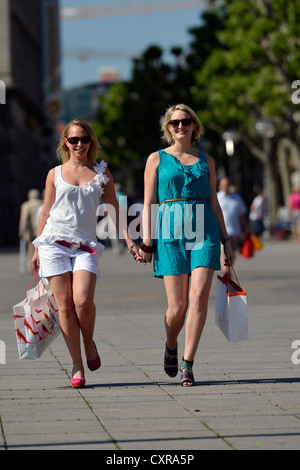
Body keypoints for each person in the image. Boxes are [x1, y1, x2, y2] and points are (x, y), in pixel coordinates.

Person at [31, 119, 139, 388]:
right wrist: (36, 247)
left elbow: (113, 206)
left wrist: (129, 239)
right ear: (65, 143)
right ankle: (77, 365)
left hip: (86, 245)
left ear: (91, 141)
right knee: (64, 305)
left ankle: (89, 342)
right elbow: (46, 211)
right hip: (53, 244)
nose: (79, 144)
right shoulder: (54, 174)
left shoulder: (101, 172)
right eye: (73, 140)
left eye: (84, 139)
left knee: (82, 302)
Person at [139, 104, 233, 387]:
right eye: (174, 122)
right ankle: (171, 344)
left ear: (194, 125)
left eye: (185, 121)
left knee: (199, 297)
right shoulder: (156, 159)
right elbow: (147, 203)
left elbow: (215, 203)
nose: (180, 126)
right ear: (168, 128)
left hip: (204, 230)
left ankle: (188, 364)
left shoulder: (207, 160)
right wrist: (146, 240)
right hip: (170, 231)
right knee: (177, 307)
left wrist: (226, 241)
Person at [217, 177, 248, 268]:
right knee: (223, 251)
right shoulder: (217, 197)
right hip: (221, 230)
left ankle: (228, 270)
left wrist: (245, 227)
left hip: (234, 230)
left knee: (232, 252)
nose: (226, 187)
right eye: (224, 185)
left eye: (227, 185)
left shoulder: (237, 197)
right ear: (219, 186)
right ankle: (226, 271)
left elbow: (241, 214)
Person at [19, 189, 43, 273]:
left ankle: (31, 268)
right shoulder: (42, 204)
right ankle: (40, 267)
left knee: (31, 250)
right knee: (41, 249)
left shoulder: (26, 205)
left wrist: (22, 231)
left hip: (31, 232)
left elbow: (24, 219)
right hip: (41, 231)